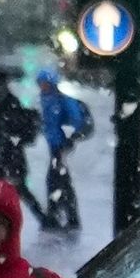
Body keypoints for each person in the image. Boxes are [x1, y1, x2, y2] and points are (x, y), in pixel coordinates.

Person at [33, 69, 92, 232]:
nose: (42, 87)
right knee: (62, 181)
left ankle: (57, 216)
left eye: (44, 83)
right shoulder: (46, 100)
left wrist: (68, 139)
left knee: (56, 180)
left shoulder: (62, 101)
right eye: (40, 83)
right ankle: (68, 217)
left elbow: (74, 121)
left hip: (61, 147)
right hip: (54, 146)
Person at [0, 69, 38, 188]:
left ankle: (38, 208)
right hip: (0, 153)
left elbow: (11, 128)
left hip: (11, 155)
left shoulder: (11, 102)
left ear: (4, 85)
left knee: (18, 190)